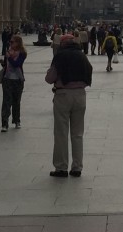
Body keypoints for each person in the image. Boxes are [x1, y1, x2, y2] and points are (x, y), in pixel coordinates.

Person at [45, 34, 93, 177]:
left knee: (61, 132)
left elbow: (50, 78)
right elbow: (89, 71)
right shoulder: (82, 55)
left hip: (63, 95)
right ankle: (77, 167)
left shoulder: (60, 56)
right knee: (77, 134)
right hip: (80, 95)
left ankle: (61, 167)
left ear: (63, 43)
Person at [0, 34, 27, 131]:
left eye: (12, 42)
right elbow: (7, 65)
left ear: (18, 43)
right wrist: (3, 62)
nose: (10, 43)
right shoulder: (8, 51)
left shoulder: (22, 53)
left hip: (18, 80)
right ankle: (4, 123)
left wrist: (9, 58)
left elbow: (17, 64)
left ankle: (16, 120)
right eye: (10, 42)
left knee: (16, 101)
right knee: (6, 101)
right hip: (7, 79)